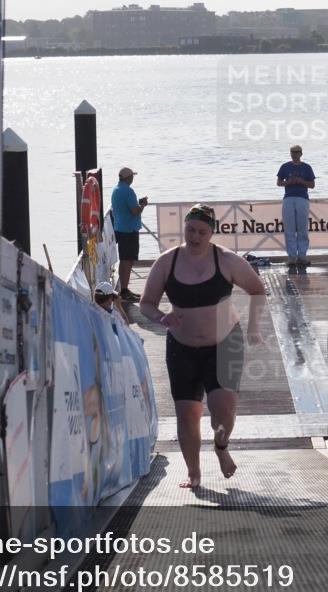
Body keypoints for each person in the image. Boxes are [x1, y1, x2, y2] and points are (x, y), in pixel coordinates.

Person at [139, 204, 267, 489]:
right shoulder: (166, 262)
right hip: (182, 347)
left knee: (223, 414)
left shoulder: (227, 260)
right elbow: (145, 304)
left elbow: (257, 290)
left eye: (201, 232)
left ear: (211, 233)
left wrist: (254, 328)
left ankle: (221, 447)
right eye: (190, 230)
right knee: (188, 414)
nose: (195, 237)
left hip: (225, 344)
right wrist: (162, 317)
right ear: (183, 228)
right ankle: (194, 472)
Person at [111, 167, 148, 302]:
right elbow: (134, 211)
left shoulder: (116, 189)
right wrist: (142, 204)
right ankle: (125, 290)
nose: (133, 178)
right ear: (128, 178)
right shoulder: (128, 191)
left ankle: (124, 289)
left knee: (125, 259)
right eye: (132, 176)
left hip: (120, 228)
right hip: (129, 230)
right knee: (127, 260)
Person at [276, 145, 315, 266]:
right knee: (289, 228)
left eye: (297, 152)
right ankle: (292, 257)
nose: (294, 154)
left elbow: (312, 184)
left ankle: (302, 255)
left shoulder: (307, 167)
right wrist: (289, 182)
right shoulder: (285, 166)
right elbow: (279, 182)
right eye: (292, 152)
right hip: (288, 198)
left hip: (302, 198)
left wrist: (301, 181)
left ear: (301, 153)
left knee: (302, 228)